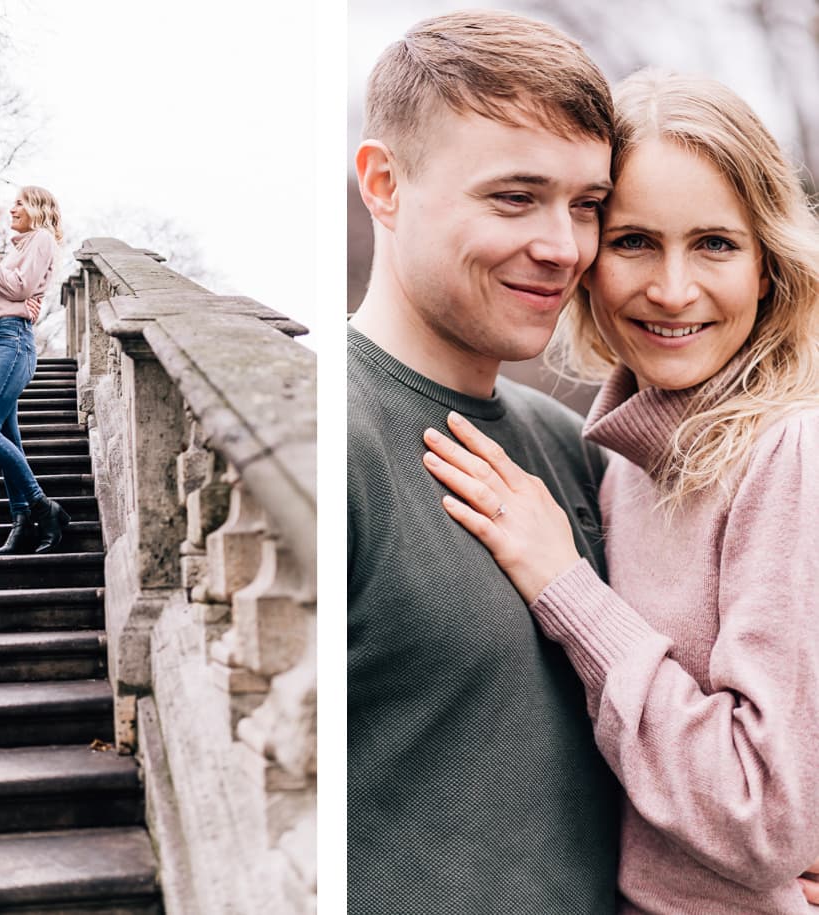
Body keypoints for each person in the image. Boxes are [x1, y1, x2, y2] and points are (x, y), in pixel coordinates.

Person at [423, 70, 819, 915]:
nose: (672, 290)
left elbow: (761, 819)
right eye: (636, 241)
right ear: (587, 262)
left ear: (768, 266)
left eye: (716, 243)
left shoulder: (789, 451)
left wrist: (567, 588)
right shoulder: (625, 466)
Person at [346, 11, 622, 913]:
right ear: (383, 184)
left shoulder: (579, 446)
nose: (563, 246)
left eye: (587, 204)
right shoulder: (329, 441)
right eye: (514, 197)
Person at [0, 186, 70, 553]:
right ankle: (22, 520)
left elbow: (20, 287)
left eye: (21, 203)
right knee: (9, 436)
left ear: (39, 209)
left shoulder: (41, 239)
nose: (13, 208)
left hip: (14, 340)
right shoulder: (20, 246)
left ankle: (45, 506)